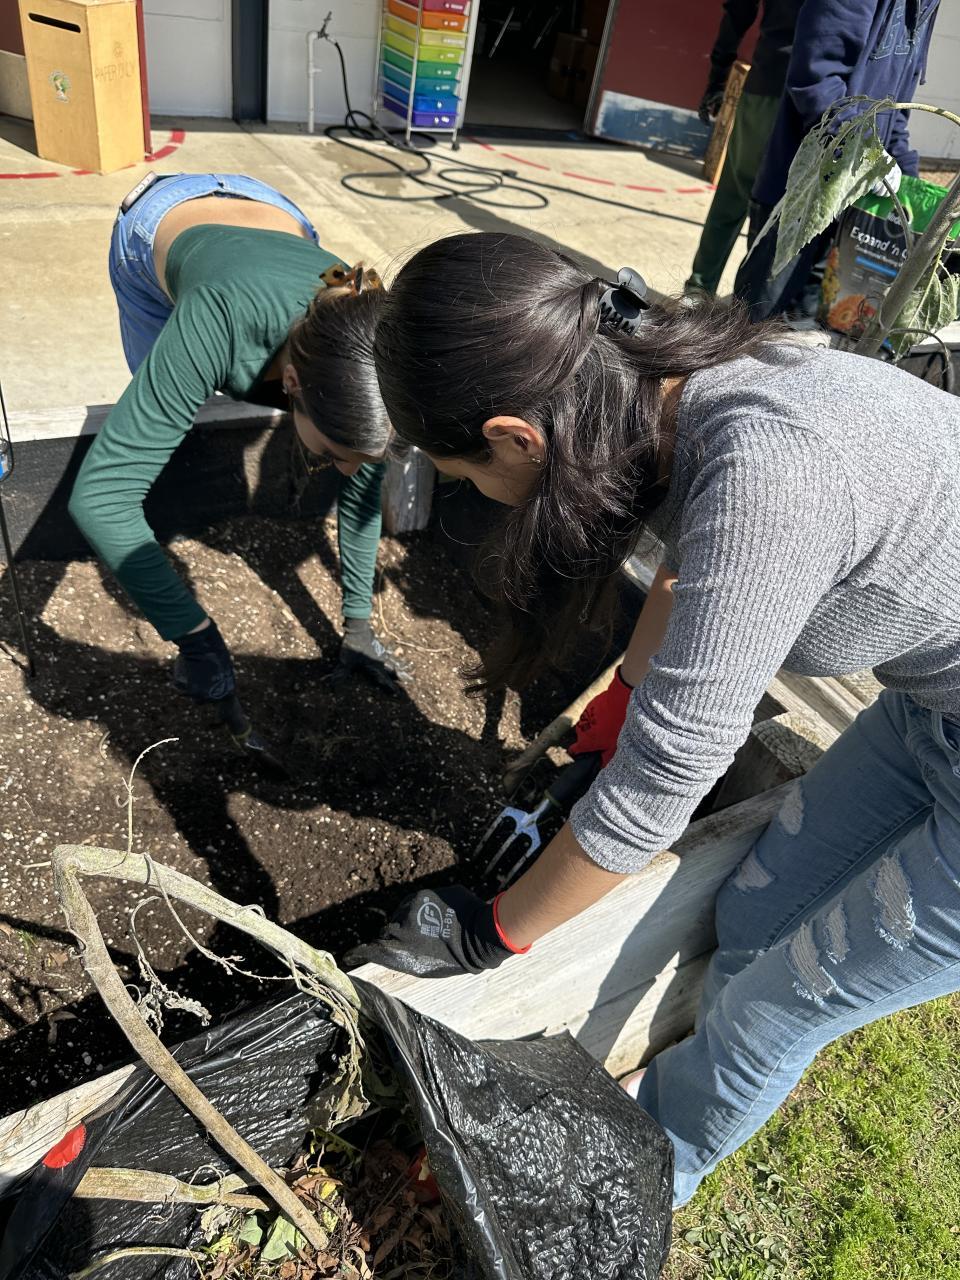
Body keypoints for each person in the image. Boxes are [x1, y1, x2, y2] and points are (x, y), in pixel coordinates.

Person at [350, 230, 960, 1207]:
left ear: (516, 437)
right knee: (754, 913)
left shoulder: (770, 473)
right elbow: (694, 568)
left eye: (464, 474)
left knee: (781, 1006)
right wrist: (618, 711)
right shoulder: (677, 389)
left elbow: (659, 791)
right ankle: (676, 1075)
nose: (475, 493)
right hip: (933, 712)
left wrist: (494, 934)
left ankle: (631, 1188)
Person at [69, 172, 407, 717]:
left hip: (277, 212)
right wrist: (195, 637)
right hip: (158, 217)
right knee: (162, 405)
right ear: (291, 383)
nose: (345, 471)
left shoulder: (355, 328)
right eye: (335, 455)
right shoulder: (216, 317)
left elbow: (362, 490)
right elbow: (101, 499)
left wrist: (359, 626)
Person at [734, 0, 941, 320]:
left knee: (806, 332)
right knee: (754, 323)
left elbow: (895, 111)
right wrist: (864, 153)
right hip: (800, 201)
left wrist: (909, 180)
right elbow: (817, 78)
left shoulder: (927, 5)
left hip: (851, 212)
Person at [686, 0, 803, 297]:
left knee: (736, 195)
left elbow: (738, 11)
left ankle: (701, 290)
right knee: (781, 213)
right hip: (800, 90)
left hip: (775, 82)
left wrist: (717, 77)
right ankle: (745, 305)